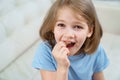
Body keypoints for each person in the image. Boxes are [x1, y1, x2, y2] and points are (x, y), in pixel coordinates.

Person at [32, 0, 109, 80]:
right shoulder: (45, 51)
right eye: (61, 25)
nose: (68, 34)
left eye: (77, 27)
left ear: (89, 31)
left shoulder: (96, 50)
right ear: (52, 27)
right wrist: (62, 68)